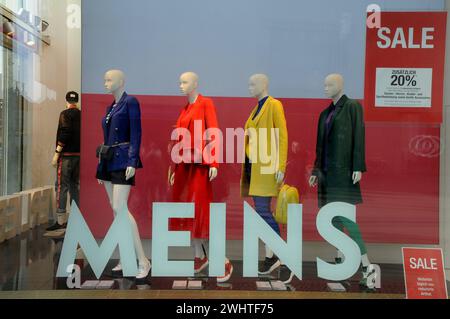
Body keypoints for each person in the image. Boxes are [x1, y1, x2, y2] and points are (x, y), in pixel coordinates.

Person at [46, 91, 81, 235]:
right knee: (74, 186)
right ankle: (75, 218)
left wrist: (56, 152)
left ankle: (60, 221)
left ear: (66, 100)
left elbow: (65, 132)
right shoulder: (82, 114)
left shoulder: (65, 114)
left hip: (66, 156)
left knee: (61, 186)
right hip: (79, 156)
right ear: (76, 101)